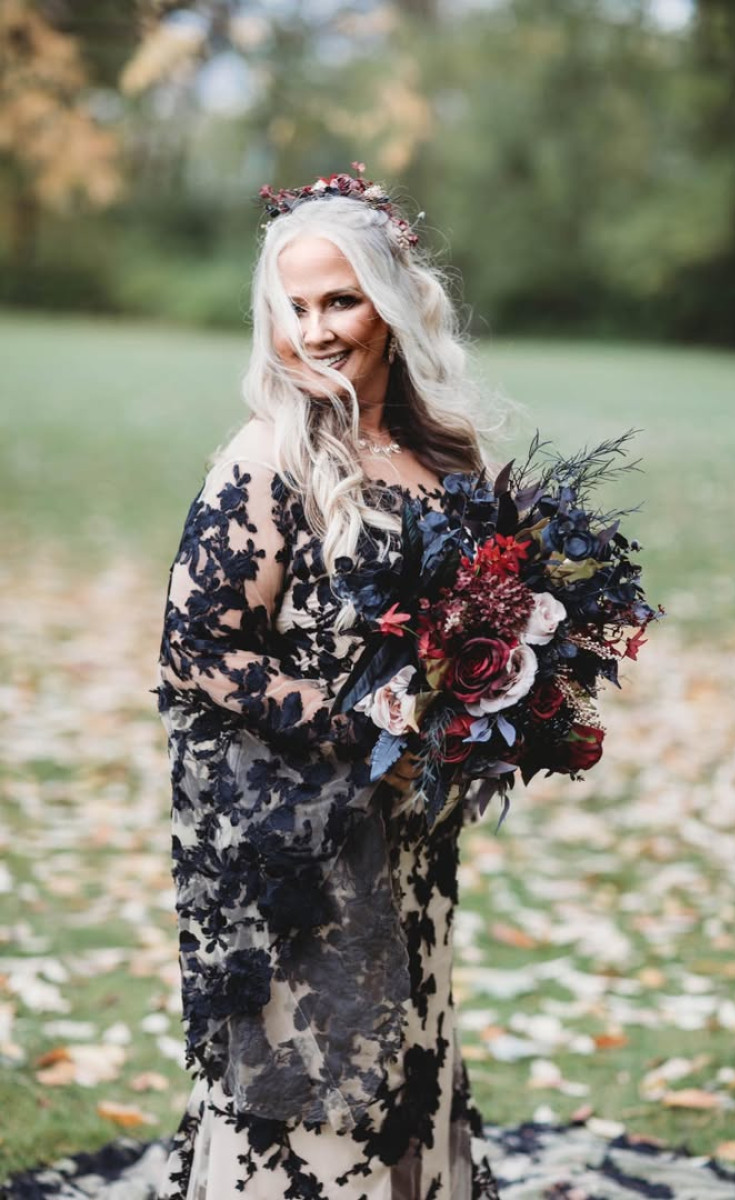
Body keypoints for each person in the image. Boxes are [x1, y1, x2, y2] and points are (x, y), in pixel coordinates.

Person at [155, 170, 501, 1199]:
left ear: (392, 305)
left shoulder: (445, 460)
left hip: (412, 840)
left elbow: (480, 625)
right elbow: (197, 653)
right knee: (318, 1089)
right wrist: (366, 737)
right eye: (293, 306)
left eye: (339, 300)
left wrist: (494, 708)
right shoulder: (265, 460)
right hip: (304, 844)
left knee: (409, 1047)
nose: (314, 330)